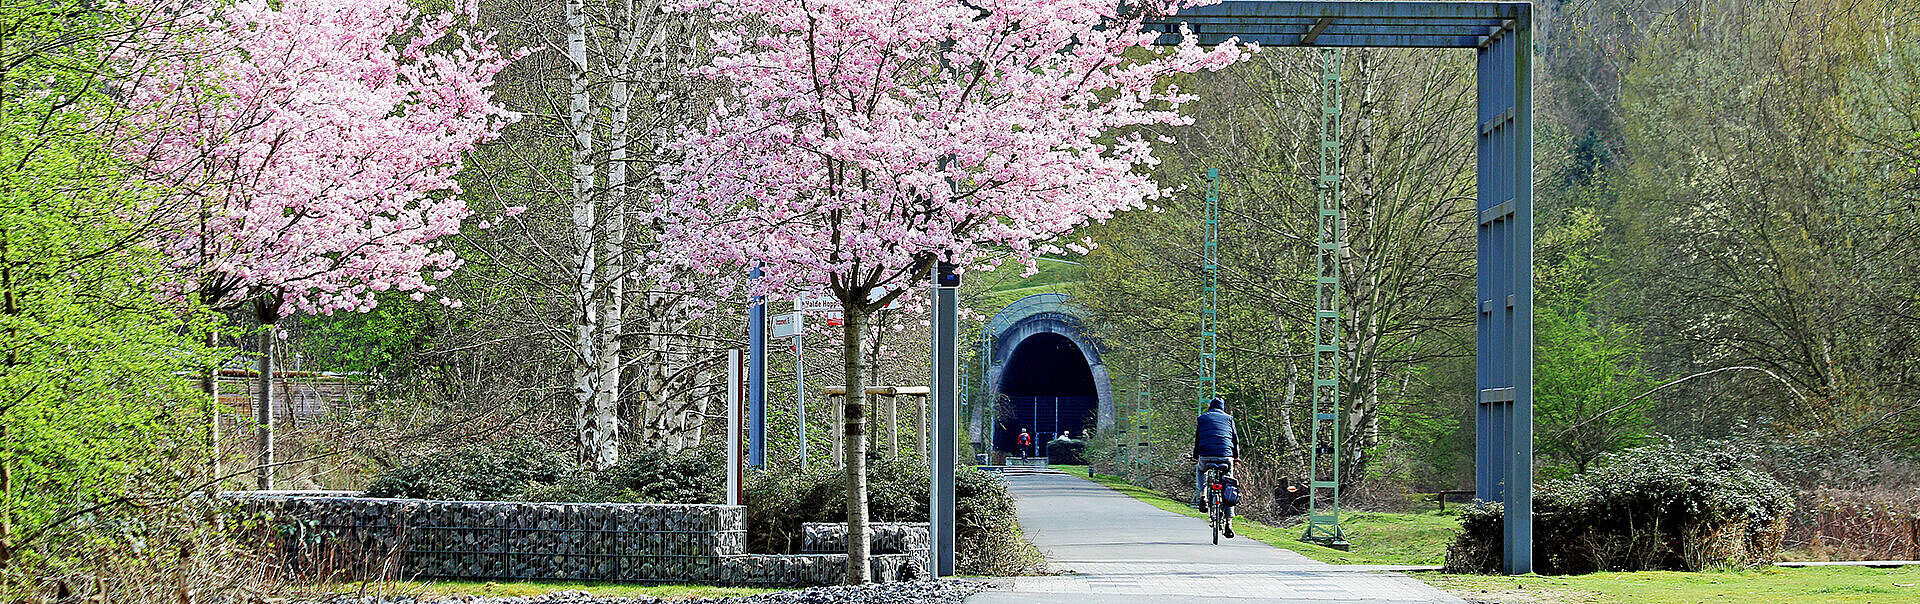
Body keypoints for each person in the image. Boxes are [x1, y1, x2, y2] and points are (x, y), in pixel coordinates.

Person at [1192, 398, 1238, 536]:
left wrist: (1196, 456)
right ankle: (1229, 523)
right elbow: (1235, 440)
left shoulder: (1202, 418)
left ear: (1210, 407)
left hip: (1206, 455)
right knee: (1229, 486)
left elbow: (1198, 439)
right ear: (1223, 408)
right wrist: (1235, 457)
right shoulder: (1229, 419)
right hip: (1226, 456)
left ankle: (1202, 496)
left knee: (1201, 470)